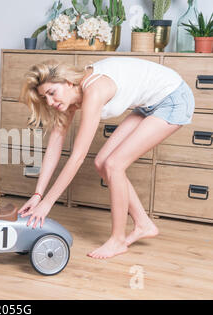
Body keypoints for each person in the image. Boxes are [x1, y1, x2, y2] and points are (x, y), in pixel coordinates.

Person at [18, 57, 195, 259]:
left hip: (172, 98)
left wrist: (47, 204)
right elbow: (54, 148)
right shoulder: (68, 100)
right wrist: (38, 195)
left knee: (114, 165)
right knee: (101, 163)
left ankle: (118, 240)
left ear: (68, 82)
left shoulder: (94, 90)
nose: (50, 102)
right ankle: (143, 224)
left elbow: (77, 157)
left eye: (51, 93)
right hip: (148, 105)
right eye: (44, 98)